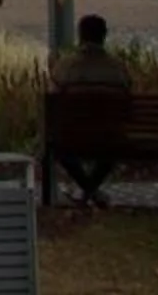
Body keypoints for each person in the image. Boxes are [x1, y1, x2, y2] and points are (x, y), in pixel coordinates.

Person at [50, 13, 136, 205]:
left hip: (70, 137)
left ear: (80, 36)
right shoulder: (118, 69)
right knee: (112, 148)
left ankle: (88, 191)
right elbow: (128, 105)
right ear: (104, 36)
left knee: (60, 148)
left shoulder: (65, 67)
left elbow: (53, 103)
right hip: (109, 137)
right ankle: (92, 191)